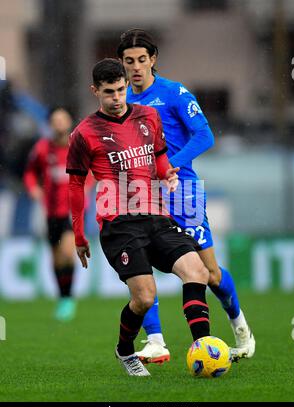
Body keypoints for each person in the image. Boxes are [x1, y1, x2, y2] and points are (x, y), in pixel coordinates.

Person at [66, 58, 215, 377]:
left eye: (121, 90)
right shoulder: (83, 134)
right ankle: (124, 349)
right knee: (145, 297)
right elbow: (76, 186)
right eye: (109, 92)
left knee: (197, 271)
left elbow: (159, 157)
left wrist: (168, 175)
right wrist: (79, 235)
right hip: (119, 224)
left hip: (156, 214)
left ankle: (203, 348)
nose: (117, 98)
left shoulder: (148, 116)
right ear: (95, 91)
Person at [117, 29, 255, 364]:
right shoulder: (121, 101)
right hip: (142, 195)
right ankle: (155, 341)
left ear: (153, 60)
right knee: (140, 267)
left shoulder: (174, 93)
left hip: (182, 192)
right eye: (128, 61)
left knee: (210, 274)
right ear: (122, 64)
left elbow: (204, 136)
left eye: (141, 60)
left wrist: (169, 166)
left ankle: (241, 330)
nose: (135, 67)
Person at [24, 107, 92, 321]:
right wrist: (34, 188)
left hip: (73, 211)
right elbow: (29, 172)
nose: (59, 124)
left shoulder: (78, 147)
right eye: (55, 120)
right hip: (51, 211)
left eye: (63, 119)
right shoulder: (43, 148)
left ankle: (69, 298)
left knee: (67, 253)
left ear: (69, 121)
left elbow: (93, 171)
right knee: (55, 258)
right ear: (50, 124)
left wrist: (86, 188)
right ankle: (63, 298)